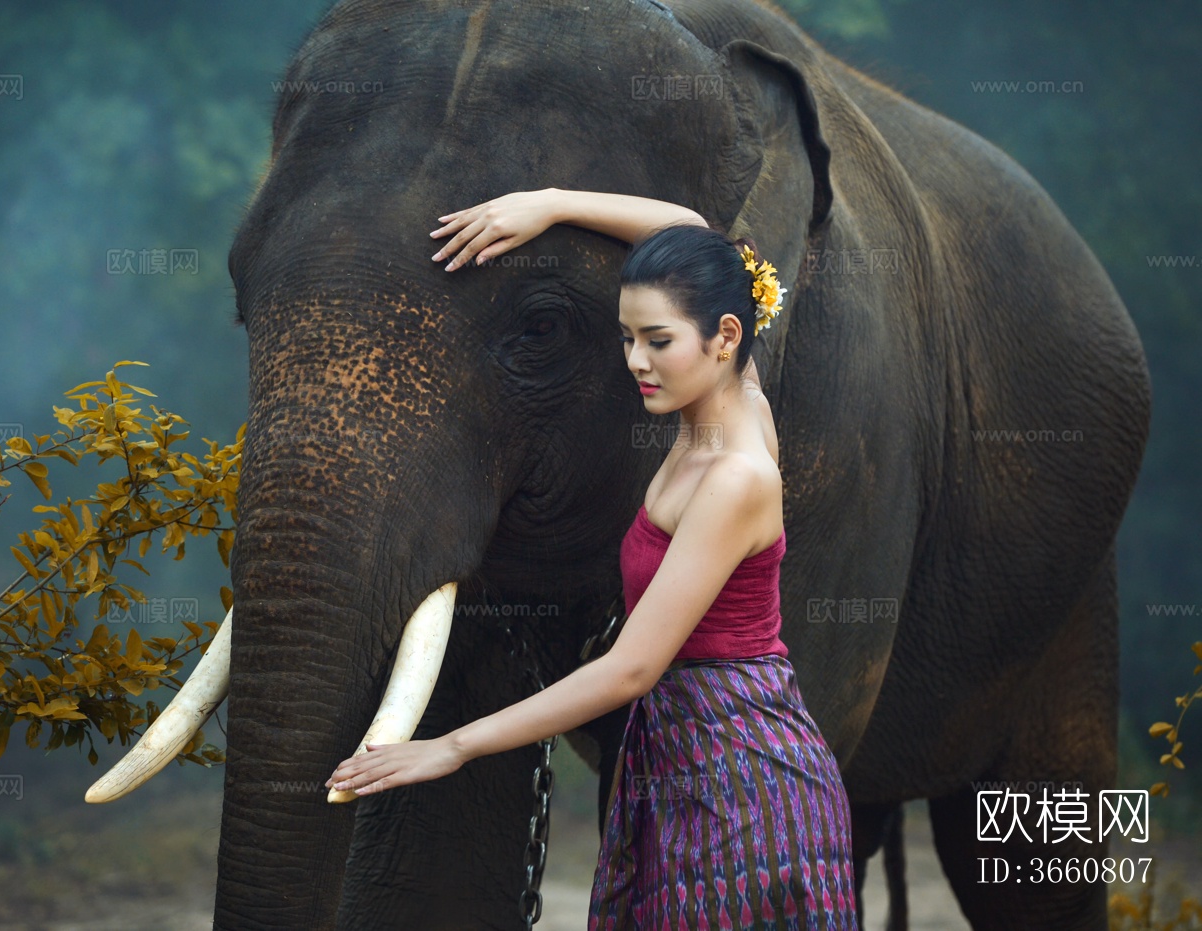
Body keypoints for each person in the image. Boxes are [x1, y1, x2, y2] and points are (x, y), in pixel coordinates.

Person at [325, 188, 860, 929]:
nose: (637, 361)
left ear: (726, 336)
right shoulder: (735, 400)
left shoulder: (736, 476)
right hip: (680, 759)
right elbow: (691, 233)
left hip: (745, 782)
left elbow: (631, 669)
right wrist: (548, 204)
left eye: (658, 341)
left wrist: (451, 747)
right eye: (627, 337)